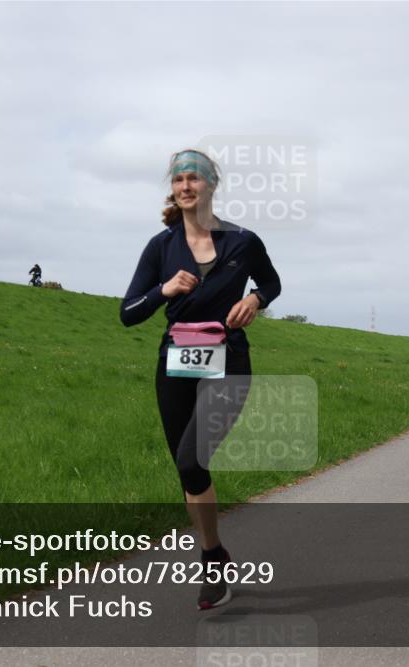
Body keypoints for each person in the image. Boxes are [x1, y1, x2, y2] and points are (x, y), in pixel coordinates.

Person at [120, 149, 281, 610]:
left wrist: (255, 300)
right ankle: (214, 552)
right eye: (179, 179)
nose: (186, 186)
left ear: (212, 184)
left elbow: (271, 283)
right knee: (188, 470)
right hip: (175, 363)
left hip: (228, 360)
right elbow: (128, 313)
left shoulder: (243, 241)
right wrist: (163, 290)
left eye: (194, 178)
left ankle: (211, 561)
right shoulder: (161, 246)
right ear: (173, 188)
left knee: (192, 461)